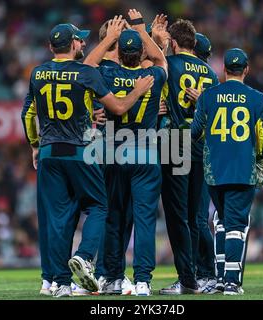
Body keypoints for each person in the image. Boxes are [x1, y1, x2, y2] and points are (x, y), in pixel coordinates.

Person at [21, 22, 154, 297]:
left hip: (48, 152)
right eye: (80, 41)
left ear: (50, 47)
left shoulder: (37, 73)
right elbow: (117, 107)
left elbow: (28, 114)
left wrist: (35, 145)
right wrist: (138, 91)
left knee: (57, 219)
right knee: (98, 206)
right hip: (79, 151)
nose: (83, 44)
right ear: (71, 45)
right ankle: (84, 256)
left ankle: (59, 283)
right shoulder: (85, 73)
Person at [85, 9, 167, 296]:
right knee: (144, 220)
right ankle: (142, 280)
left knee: (113, 216)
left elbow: (88, 64)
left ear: (118, 52)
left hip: (112, 152)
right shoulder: (154, 75)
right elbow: (160, 58)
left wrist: (109, 38)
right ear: (139, 52)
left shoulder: (107, 72)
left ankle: (112, 277)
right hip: (146, 152)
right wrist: (143, 30)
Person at [191, 48, 263, 295]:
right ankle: (230, 282)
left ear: (224, 70)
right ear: (246, 69)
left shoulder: (207, 97)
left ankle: (219, 278)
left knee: (221, 221)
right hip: (242, 169)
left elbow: (195, 133)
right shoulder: (257, 99)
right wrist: (262, 162)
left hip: (214, 171)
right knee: (237, 224)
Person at [159, 19, 218, 295]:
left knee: (177, 215)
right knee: (195, 216)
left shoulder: (168, 64)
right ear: (194, 43)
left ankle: (187, 279)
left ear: (173, 42)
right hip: (202, 145)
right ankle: (194, 274)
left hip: (175, 140)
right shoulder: (211, 73)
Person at [187, 32, 218, 293]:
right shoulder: (213, 78)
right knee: (194, 218)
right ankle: (198, 271)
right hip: (204, 151)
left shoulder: (178, 67)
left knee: (195, 218)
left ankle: (207, 271)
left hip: (190, 148)